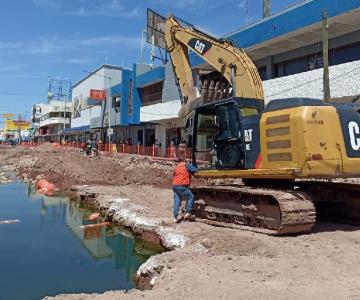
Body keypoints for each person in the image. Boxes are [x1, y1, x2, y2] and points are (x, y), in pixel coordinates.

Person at [172, 155, 198, 223]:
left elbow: (175, 175)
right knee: (191, 197)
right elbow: (195, 169)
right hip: (182, 186)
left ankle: (175, 218)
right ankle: (188, 212)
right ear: (184, 160)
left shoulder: (177, 167)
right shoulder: (186, 165)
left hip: (175, 186)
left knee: (177, 201)